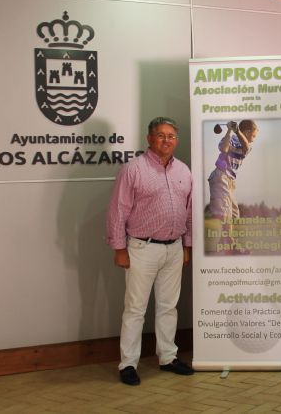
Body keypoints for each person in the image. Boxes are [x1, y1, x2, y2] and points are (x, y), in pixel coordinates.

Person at [106, 116, 194, 386]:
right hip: (141, 248)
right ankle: (128, 364)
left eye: (171, 136)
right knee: (135, 309)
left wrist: (187, 245)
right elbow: (118, 210)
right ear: (150, 138)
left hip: (174, 248)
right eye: (161, 135)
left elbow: (189, 211)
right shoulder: (133, 169)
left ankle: (168, 357)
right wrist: (119, 248)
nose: (167, 140)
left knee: (168, 307)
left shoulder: (183, 171)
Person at [207, 120, 259, 253]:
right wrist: (229, 130)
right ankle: (231, 246)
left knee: (235, 214)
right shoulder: (229, 138)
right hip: (221, 176)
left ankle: (224, 243)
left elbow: (246, 147)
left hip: (230, 181)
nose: (253, 139)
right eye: (253, 136)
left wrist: (237, 131)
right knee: (226, 214)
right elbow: (224, 149)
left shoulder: (246, 145)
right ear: (247, 132)